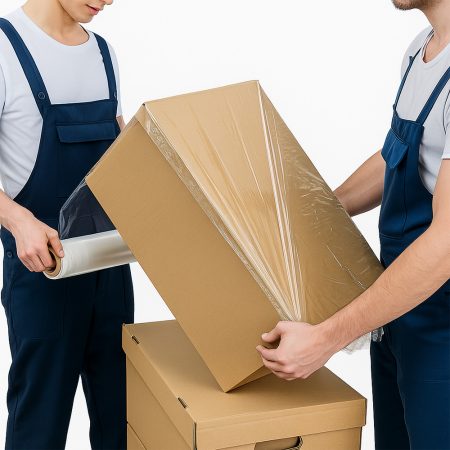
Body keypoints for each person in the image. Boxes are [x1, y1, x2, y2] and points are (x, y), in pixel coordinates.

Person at [256, 0, 450, 448]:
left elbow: (444, 245)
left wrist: (326, 339)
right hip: (396, 311)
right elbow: (397, 154)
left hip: (441, 327)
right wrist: (318, 211)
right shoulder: (420, 50)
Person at [0, 1, 134, 449]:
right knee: (39, 425)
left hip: (111, 265)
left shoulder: (104, 52)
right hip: (42, 270)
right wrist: (19, 221)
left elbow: (121, 156)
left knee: (124, 418)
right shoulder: (5, 47)